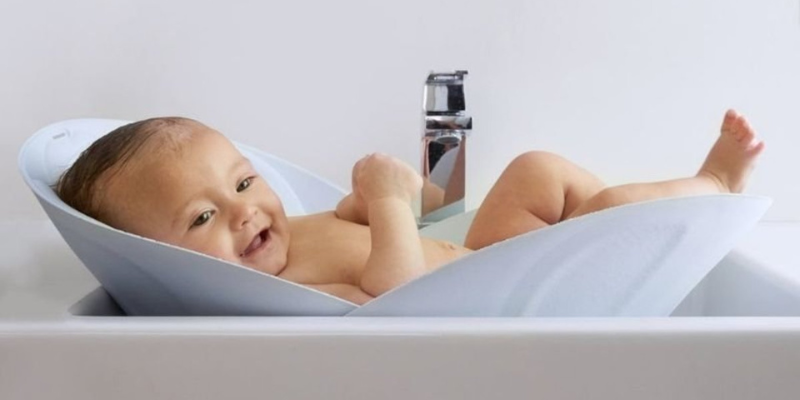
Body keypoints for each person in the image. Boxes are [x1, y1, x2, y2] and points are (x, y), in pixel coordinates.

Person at [56, 110, 764, 305]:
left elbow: (373, 224)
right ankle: (713, 186)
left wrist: (372, 200)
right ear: (151, 259)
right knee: (607, 206)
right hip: (499, 296)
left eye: (243, 184)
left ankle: (636, 228)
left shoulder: (280, 234)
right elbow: (396, 293)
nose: (244, 213)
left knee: (534, 171)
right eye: (202, 218)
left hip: (486, 258)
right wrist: (393, 206)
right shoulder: (276, 291)